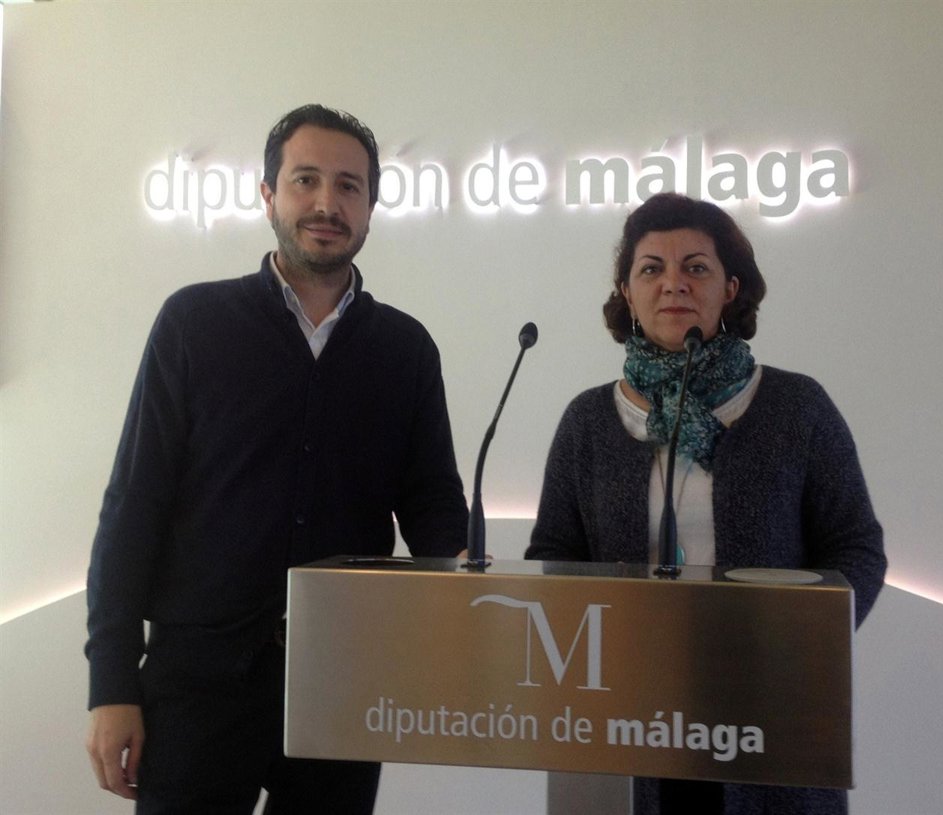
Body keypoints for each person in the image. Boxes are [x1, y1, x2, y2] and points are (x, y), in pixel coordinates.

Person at [84, 104, 469, 814]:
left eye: (349, 186)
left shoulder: (405, 349)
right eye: (305, 180)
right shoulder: (193, 323)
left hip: (344, 685)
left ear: (371, 207)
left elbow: (432, 506)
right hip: (196, 686)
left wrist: (464, 586)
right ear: (268, 195)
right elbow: (134, 505)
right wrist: (110, 684)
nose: (327, 203)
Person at [526, 192, 886, 815]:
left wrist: (799, 646)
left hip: (766, 719)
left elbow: (856, 548)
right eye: (651, 269)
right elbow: (554, 556)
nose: (674, 283)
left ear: (730, 289)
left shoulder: (798, 408)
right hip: (623, 718)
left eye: (696, 267)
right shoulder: (587, 421)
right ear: (627, 293)